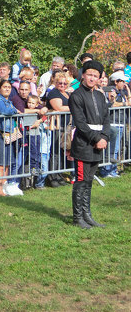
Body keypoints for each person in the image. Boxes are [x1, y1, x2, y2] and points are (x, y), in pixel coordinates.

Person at [68, 60, 110, 228]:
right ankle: (78, 217)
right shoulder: (76, 96)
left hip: (99, 143)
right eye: (89, 75)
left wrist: (105, 137)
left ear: (99, 78)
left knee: (89, 180)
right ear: (83, 75)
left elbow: (106, 118)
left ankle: (87, 215)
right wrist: (96, 139)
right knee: (81, 180)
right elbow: (81, 122)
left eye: (95, 76)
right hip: (83, 144)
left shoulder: (100, 95)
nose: (92, 78)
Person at [0, 79, 23, 196]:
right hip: (1, 134)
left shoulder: (9, 101)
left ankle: (4, 186)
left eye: (9, 87)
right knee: (1, 163)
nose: (7, 89)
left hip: (10, 134)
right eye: (4, 87)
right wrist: (15, 110)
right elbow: (4, 111)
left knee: (7, 163)